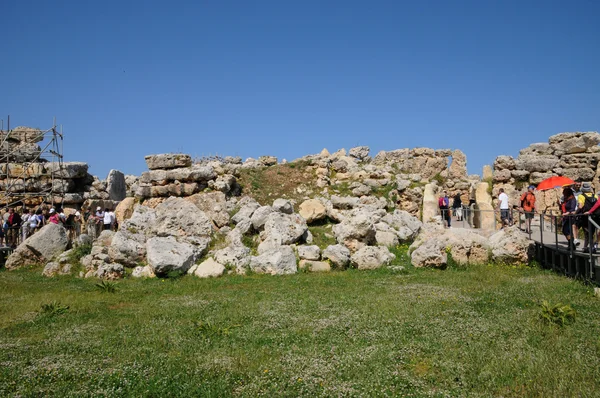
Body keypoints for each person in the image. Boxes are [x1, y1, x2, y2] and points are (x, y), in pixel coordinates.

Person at [576, 182, 597, 253]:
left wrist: (575, 213)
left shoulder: (581, 196)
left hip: (585, 216)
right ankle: (589, 248)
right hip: (594, 216)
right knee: (591, 232)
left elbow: (580, 206)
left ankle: (588, 248)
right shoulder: (595, 195)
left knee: (586, 232)